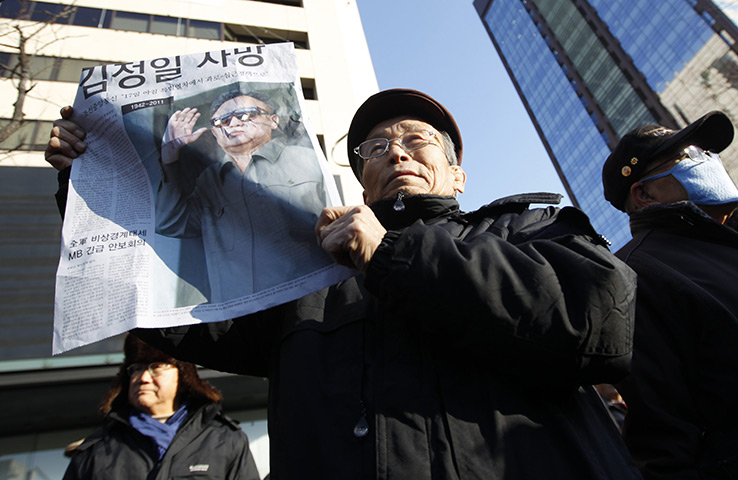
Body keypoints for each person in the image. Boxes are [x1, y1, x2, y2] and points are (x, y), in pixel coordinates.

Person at [48, 89, 641, 479]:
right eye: (376, 148)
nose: (396, 152)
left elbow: (602, 324)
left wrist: (391, 256)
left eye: (417, 140)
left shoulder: (528, 227)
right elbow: (172, 307)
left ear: (457, 173)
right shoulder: (309, 268)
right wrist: (96, 184)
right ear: (362, 183)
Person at [601, 111, 738, 479]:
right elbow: (663, 446)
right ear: (645, 193)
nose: (706, 160)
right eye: (688, 155)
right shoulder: (635, 275)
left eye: (705, 151)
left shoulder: (724, 239)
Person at [62, 334, 260, 479]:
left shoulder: (225, 441)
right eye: (136, 369)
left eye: (155, 367)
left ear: (183, 376)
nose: (143, 378)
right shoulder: (94, 451)